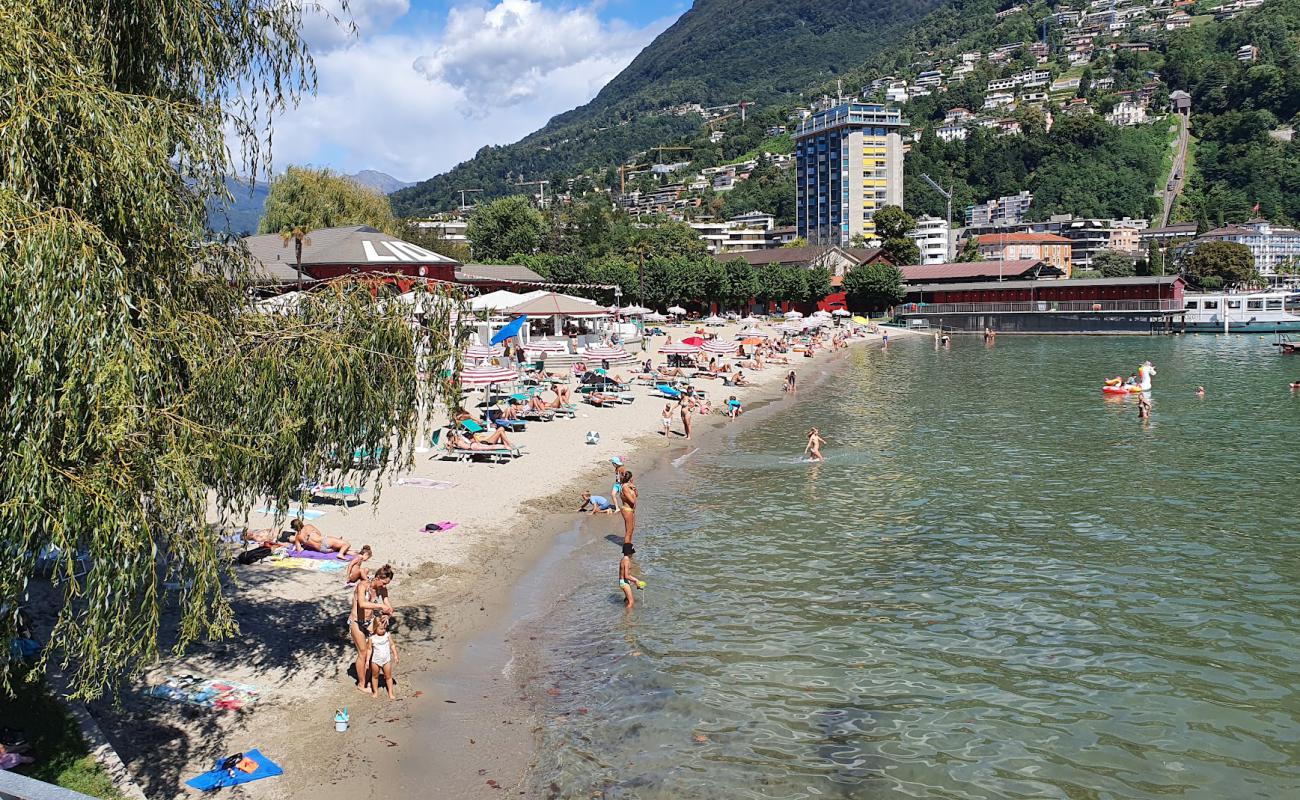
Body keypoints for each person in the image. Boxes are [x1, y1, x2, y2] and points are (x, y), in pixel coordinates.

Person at [349, 564, 394, 693]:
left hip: (370, 622)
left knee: (372, 652)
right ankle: (361, 684)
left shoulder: (383, 590)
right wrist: (380, 607)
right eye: (384, 583)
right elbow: (362, 604)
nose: (384, 586)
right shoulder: (362, 586)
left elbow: (389, 608)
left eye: (387, 584)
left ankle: (368, 679)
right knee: (363, 652)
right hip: (356, 622)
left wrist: (388, 614)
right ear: (378, 578)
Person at [366, 613, 399, 699]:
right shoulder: (372, 638)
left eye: (384, 628)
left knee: (388, 676)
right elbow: (369, 649)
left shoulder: (387, 635)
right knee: (375, 676)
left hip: (386, 660)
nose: (383, 630)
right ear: (375, 628)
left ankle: (390, 693)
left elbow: (392, 645)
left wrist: (395, 655)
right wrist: (367, 660)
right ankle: (375, 692)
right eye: (381, 629)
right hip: (375, 660)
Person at [618, 471, 637, 545]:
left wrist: (634, 488)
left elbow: (636, 494)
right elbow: (632, 501)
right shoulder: (625, 487)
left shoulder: (629, 486)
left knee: (631, 529)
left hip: (631, 510)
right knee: (629, 531)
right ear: (630, 478)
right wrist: (634, 494)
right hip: (627, 510)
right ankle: (626, 554)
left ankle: (629, 547)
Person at [618, 543, 638, 608]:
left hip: (624, 581)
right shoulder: (626, 560)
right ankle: (627, 617)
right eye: (632, 553)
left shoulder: (624, 559)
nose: (632, 554)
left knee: (627, 599)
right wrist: (636, 580)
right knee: (631, 602)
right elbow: (626, 575)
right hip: (624, 582)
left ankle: (624, 611)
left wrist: (634, 581)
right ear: (630, 552)